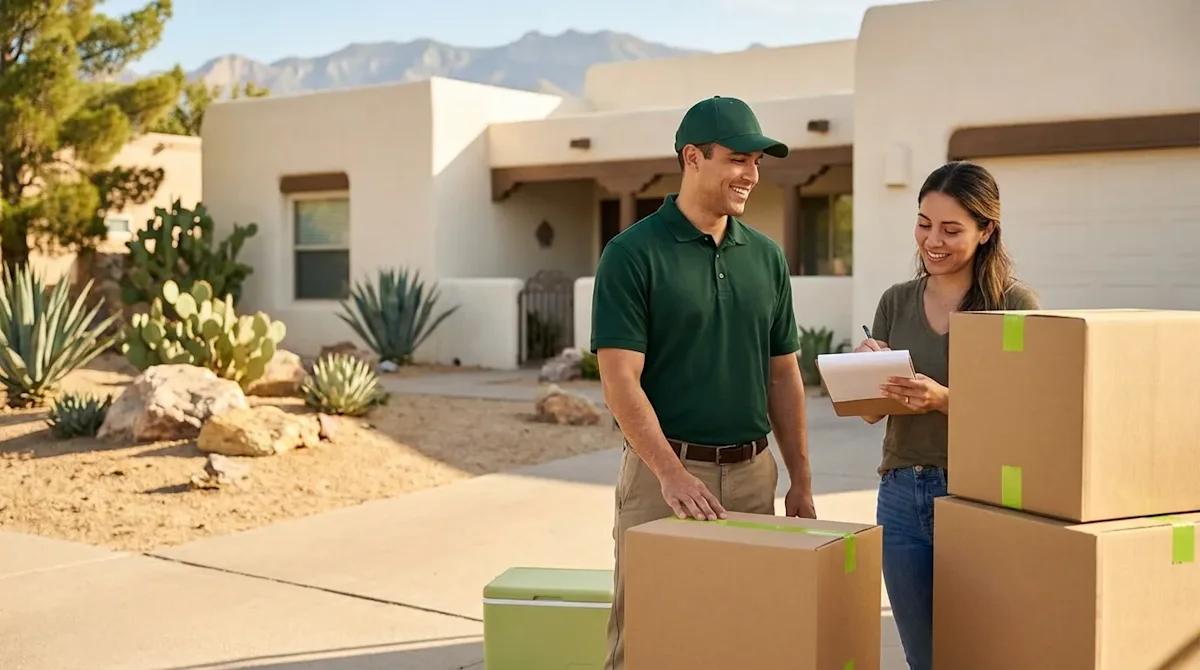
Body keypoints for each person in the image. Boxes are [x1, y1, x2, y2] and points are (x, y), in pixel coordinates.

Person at [590, 95, 817, 670]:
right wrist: (670, 473)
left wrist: (801, 481)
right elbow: (620, 380)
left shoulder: (766, 258)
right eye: (739, 159)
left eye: (758, 163)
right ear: (693, 157)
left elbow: (783, 374)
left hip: (751, 478)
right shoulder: (631, 254)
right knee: (646, 638)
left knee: (742, 636)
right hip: (661, 479)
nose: (752, 175)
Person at [854, 160, 1040, 670]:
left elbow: (1031, 413)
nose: (932, 240)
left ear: (986, 231)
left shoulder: (1013, 304)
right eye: (924, 223)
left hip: (979, 495)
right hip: (899, 496)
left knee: (985, 654)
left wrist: (945, 400)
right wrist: (866, 370)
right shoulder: (896, 301)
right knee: (925, 659)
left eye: (951, 229)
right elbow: (873, 414)